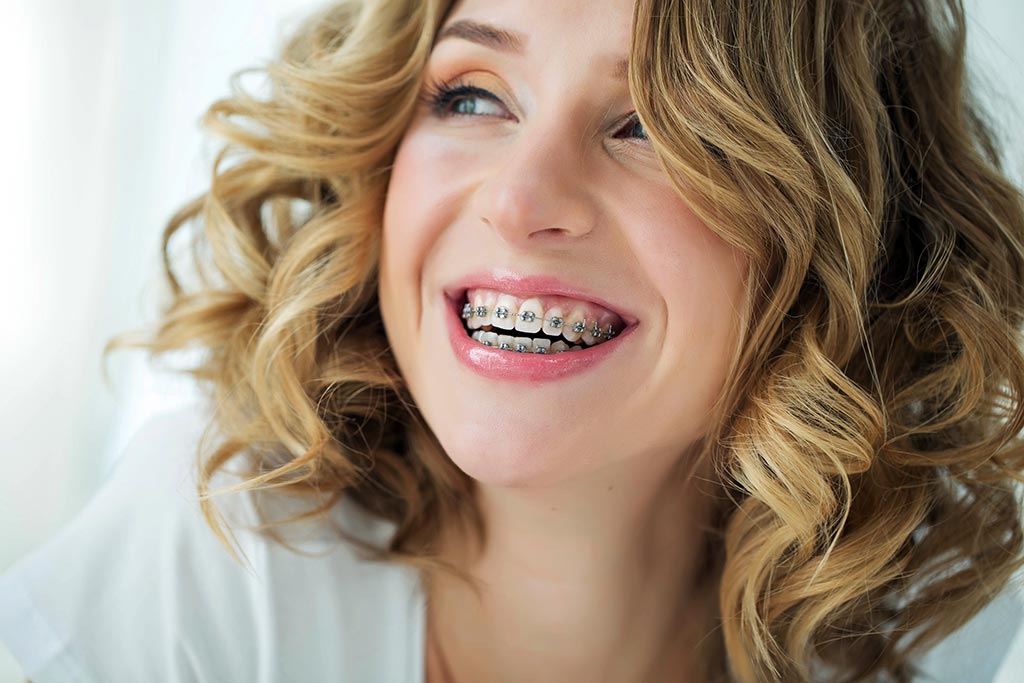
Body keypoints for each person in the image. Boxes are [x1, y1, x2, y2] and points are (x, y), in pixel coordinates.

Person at [2, 0, 1024, 681]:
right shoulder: (216, 552)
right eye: (471, 95)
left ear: (847, 232)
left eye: (653, 129)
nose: (521, 198)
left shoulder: (942, 637)